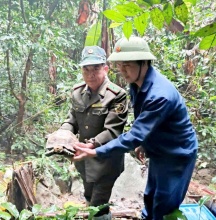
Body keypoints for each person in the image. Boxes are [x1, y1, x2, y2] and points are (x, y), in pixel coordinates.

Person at [73, 36, 198, 220]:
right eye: (120, 65)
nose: (122, 71)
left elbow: (133, 136)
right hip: (158, 149)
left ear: (144, 63)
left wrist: (96, 152)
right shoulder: (136, 84)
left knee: (164, 205)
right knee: (150, 196)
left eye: (128, 65)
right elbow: (144, 122)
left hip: (175, 154)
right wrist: (144, 144)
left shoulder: (160, 95)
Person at [59, 45, 128, 219]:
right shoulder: (76, 92)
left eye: (96, 68)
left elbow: (113, 130)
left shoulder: (116, 95)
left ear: (105, 68)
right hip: (83, 160)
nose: (91, 74)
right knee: (90, 197)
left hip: (106, 160)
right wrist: (62, 134)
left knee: (99, 204)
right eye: (86, 69)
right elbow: (71, 120)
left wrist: (91, 144)